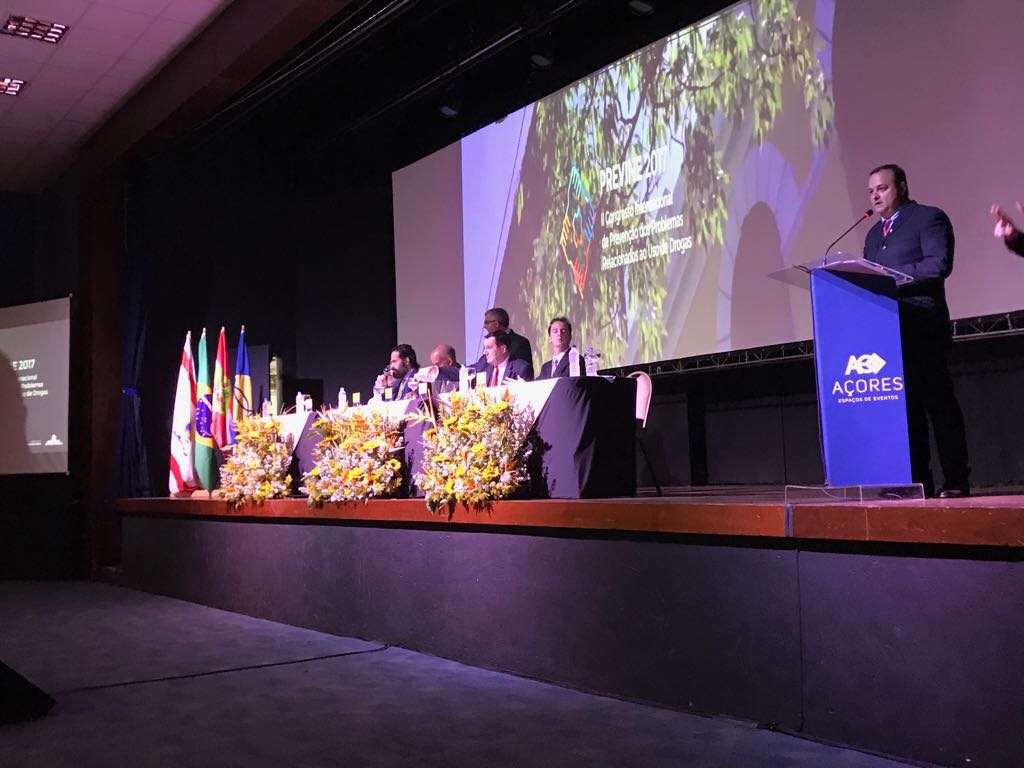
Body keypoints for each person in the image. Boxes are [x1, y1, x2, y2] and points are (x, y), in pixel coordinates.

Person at [864, 164, 969, 498]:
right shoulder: (872, 235)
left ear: (902, 187)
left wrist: (890, 277)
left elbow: (938, 264)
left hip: (923, 327)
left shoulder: (928, 218)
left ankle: (956, 480)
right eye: (871, 191)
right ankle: (917, 483)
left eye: (882, 188)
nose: (875, 196)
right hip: (888, 331)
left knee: (938, 405)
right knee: (904, 410)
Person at [473, 307, 534, 379]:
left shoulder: (520, 343)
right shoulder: (489, 342)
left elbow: (523, 373)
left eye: (487, 323)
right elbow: (477, 367)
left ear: (496, 324)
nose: (484, 326)